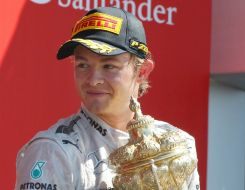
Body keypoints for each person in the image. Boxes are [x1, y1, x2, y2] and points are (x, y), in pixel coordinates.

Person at [15, 7, 200, 190]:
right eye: (82, 65)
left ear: (142, 72)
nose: (93, 80)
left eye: (109, 66)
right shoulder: (53, 151)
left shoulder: (177, 146)